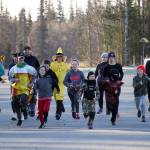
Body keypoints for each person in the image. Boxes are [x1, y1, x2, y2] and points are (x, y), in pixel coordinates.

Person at [9, 52, 37, 126]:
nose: (21, 59)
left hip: (25, 88)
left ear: (24, 59)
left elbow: (35, 76)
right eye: (19, 58)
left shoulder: (29, 68)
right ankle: (19, 119)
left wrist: (31, 83)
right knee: (16, 104)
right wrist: (14, 79)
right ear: (17, 59)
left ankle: (24, 110)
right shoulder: (13, 68)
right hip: (16, 88)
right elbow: (10, 78)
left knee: (22, 100)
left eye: (22, 58)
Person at [51, 47, 69, 120]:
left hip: (61, 84)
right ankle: (61, 106)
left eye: (60, 57)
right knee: (56, 98)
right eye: (58, 57)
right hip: (54, 84)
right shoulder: (52, 64)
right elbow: (49, 73)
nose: (59, 58)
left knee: (59, 98)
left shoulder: (65, 65)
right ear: (56, 57)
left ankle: (58, 113)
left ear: (62, 58)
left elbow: (69, 73)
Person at [23, 46, 40, 117]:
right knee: (25, 95)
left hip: (33, 78)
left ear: (31, 51)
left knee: (33, 94)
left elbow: (38, 68)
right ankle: (26, 108)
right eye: (25, 50)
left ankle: (32, 109)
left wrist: (38, 76)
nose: (27, 51)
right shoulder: (21, 59)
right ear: (24, 51)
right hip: (23, 79)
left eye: (28, 50)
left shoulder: (34, 59)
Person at [8, 52, 18, 121]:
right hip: (13, 84)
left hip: (22, 84)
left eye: (17, 57)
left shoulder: (23, 64)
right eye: (14, 57)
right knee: (13, 99)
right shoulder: (11, 65)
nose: (15, 58)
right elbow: (9, 76)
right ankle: (14, 113)